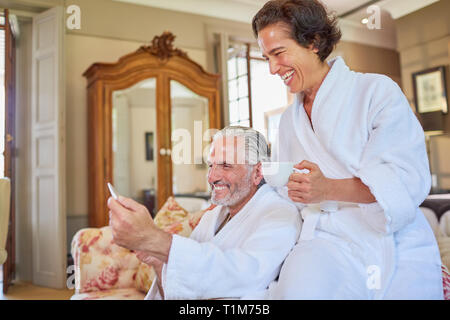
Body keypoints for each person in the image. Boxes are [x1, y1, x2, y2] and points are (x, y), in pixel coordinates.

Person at [244, 0, 443, 299]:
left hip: (390, 241)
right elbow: (284, 193)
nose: (272, 68)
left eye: (279, 53)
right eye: (266, 58)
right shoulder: (289, 121)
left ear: (313, 41)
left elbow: (403, 181)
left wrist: (327, 189)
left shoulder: (376, 92)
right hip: (322, 243)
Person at [107, 126, 301, 300]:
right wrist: (159, 262)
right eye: (211, 165)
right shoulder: (213, 215)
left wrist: (156, 240)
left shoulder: (279, 214)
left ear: (257, 173)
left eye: (226, 165)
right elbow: (183, 292)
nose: (212, 177)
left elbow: (243, 277)